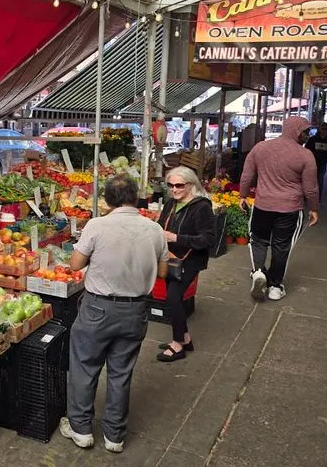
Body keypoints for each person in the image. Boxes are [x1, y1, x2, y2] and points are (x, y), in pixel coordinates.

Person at [59, 175, 168, 454]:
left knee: (84, 368)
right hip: (136, 310)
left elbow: (74, 265)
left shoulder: (97, 225)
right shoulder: (154, 229)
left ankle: (81, 430)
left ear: (107, 200)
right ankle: (114, 437)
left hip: (98, 308)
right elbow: (164, 272)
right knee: (121, 373)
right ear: (135, 197)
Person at [240, 116, 319, 302]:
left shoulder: (260, 148)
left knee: (258, 241)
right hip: (290, 209)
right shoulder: (305, 155)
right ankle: (275, 286)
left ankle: (259, 272)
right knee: (281, 246)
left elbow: (247, 175)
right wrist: (314, 208)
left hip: (262, 206)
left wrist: (243, 195)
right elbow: (311, 188)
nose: (307, 136)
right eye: (305, 132)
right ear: (296, 131)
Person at [156, 167, 215, 363]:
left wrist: (176, 237)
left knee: (173, 298)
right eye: (170, 185)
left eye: (179, 185)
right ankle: (185, 338)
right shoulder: (171, 203)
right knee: (173, 299)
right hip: (171, 258)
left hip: (189, 260)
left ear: (191, 185)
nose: (174, 189)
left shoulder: (201, 207)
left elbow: (207, 239)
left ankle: (178, 345)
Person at [305, 123, 327, 202]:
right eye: (323, 128)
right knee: (310, 180)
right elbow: (307, 150)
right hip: (312, 163)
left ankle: (317, 199)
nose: (325, 131)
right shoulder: (313, 139)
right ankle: (307, 197)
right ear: (320, 129)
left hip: (322, 164)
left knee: (320, 181)